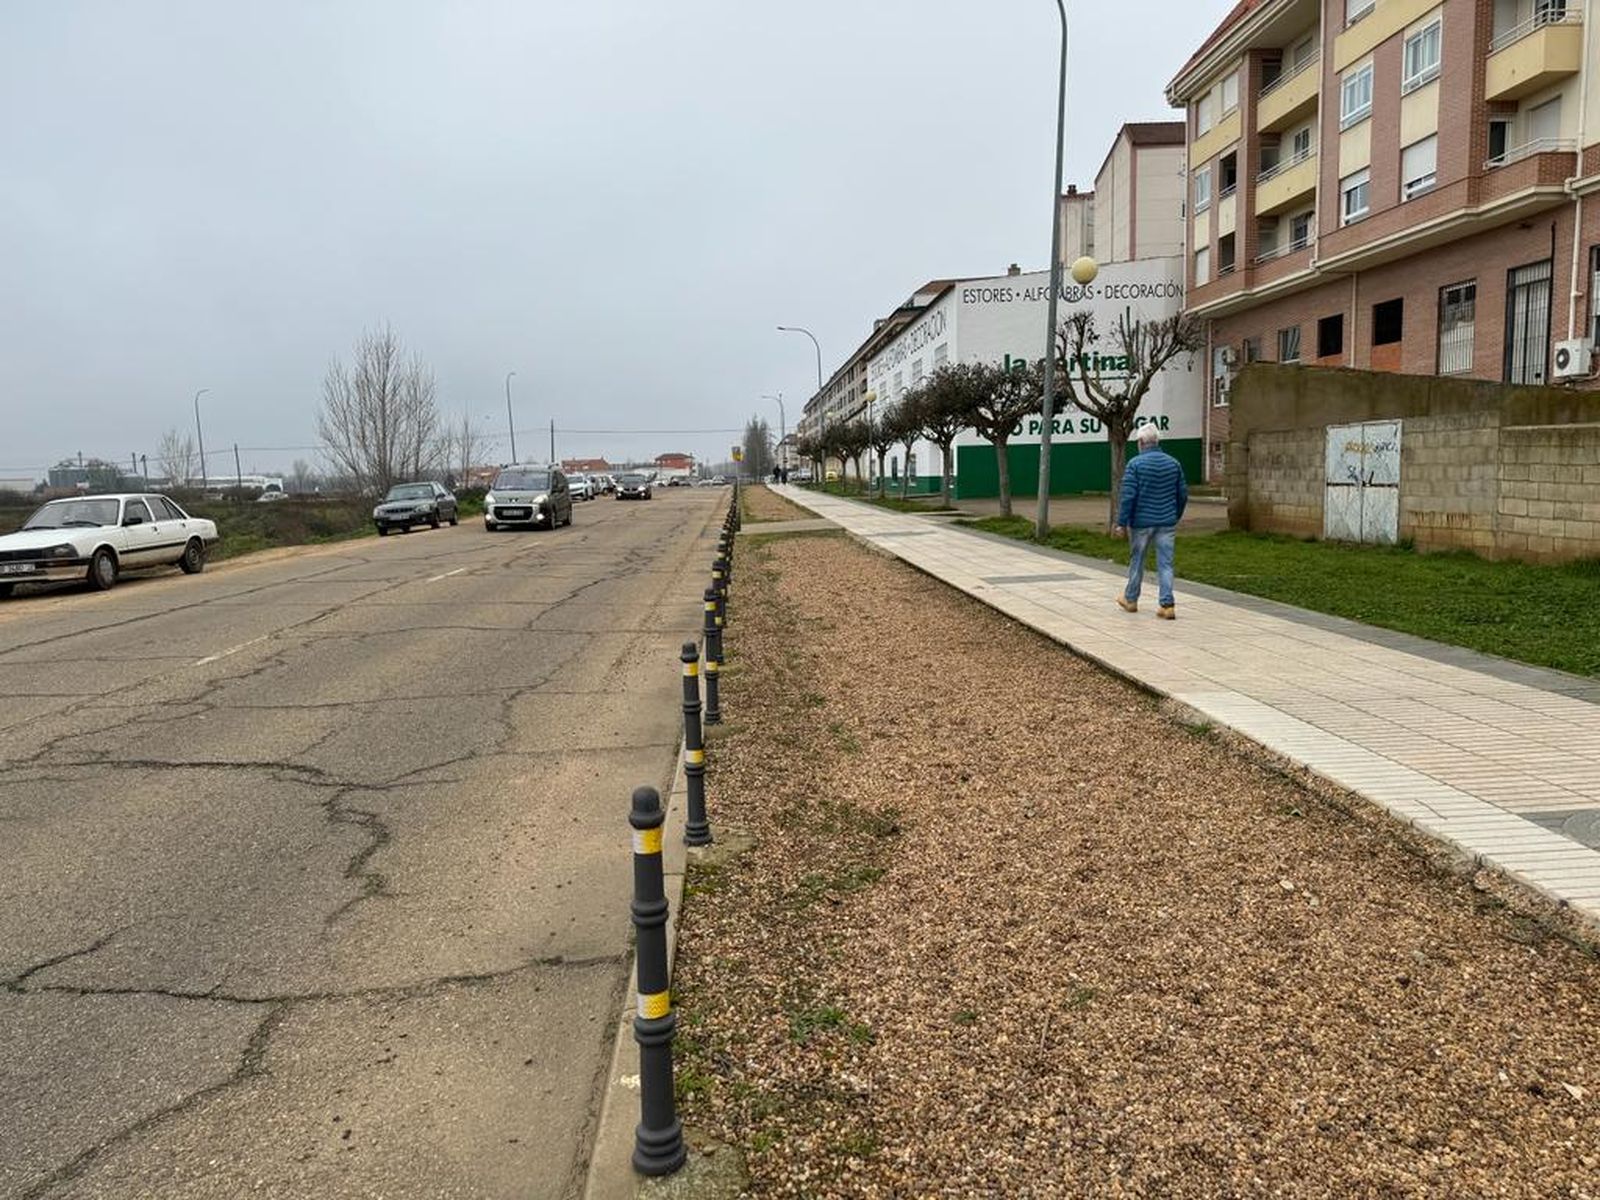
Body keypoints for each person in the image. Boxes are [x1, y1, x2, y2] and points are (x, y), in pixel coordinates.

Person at [1113, 424, 1187, 620]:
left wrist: (1121, 523)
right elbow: (1182, 494)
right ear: (1157, 441)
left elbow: (1128, 496)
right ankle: (1167, 604)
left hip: (1141, 523)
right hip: (1166, 522)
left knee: (1137, 561)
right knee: (1166, 564)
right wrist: (1175, 514)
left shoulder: (1135, 465)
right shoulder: (1174, 464)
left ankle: (1131, 599)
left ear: (1140, 442)